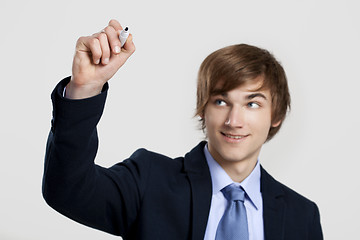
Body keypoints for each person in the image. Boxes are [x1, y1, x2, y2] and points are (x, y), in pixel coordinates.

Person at [42, 19, 323, 240]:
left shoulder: (301, 216)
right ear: (202, 108)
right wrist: (84, 90)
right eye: (221, 101)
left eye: (252, 104)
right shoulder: (148, 181)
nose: (234, 120)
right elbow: (66, 191)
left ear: (276, 114)